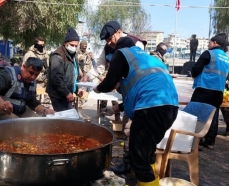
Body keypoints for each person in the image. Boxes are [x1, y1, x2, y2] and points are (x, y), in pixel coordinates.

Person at [94, 36, 179, 185]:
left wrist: (97, 88)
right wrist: (115, 108)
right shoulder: (146, 59)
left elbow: (109, 83)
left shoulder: (122, 53)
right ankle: (151, 181)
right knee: (146, 152)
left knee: (137, 157)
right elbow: (141, 91)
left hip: (151, 108)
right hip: (170, 107)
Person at [92, 20, 147, 174]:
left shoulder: (131, 46)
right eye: (107, 40)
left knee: (131, 130)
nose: (110, 43)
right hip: (138, 94)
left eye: (111, 38)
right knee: (132, 132)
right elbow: (101, 66)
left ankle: (133, 169)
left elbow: (121, 79)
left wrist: (99, 88)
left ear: (119, 31)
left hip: (141, 94)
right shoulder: (110, 47)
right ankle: (134, 167)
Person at [0, 57, 55, 124]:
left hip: (18, 111)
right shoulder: (7, 73)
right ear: (24, 67)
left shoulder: (32, 82)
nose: (33, 77)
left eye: (36, 74)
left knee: (39, 124)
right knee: (19, 127)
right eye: (31, 73)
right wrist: (1, 103)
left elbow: (32, 103)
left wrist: (45, 110)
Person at [191, 33, 229, 150]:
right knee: (213, 115)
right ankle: (210, 141)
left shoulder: (209, 53)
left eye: (209, 42)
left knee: (195, 114)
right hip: (218, 91)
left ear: (215, 43)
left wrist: (193, 75)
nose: (208, 44)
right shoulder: (227, 58)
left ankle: (194, 141)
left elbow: (196, 68)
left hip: (204, 88)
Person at [46, 28, 83, 112]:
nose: (74, 47)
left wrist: (77, 89)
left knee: (67, 117)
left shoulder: (73, 55)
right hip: (58, 94)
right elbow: (56, 78)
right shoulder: (58, 56)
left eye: (76, 46)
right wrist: (66, 93)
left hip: (66, 93)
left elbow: (73, 74)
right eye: (71, 45)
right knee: (65, 118)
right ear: (65, 43)